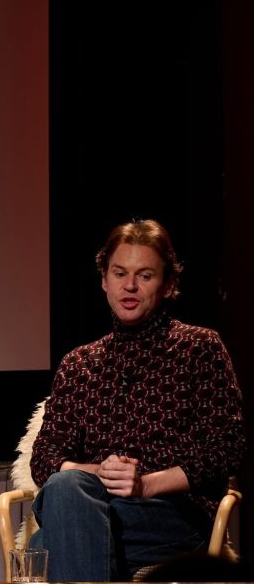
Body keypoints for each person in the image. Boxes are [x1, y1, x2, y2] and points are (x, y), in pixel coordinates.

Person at [29, 219, 246, 581]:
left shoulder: (200, 348)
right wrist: (104, 474)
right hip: (91, 507)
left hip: (170, 516)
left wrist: (144, 484)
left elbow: (226, 448)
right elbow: (44, 459)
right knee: (67, 492)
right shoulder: (79, 364)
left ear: (168, 285)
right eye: (119, 273)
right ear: (104, 280)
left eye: (145, 275)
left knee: (45, 540)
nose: (129, 286)